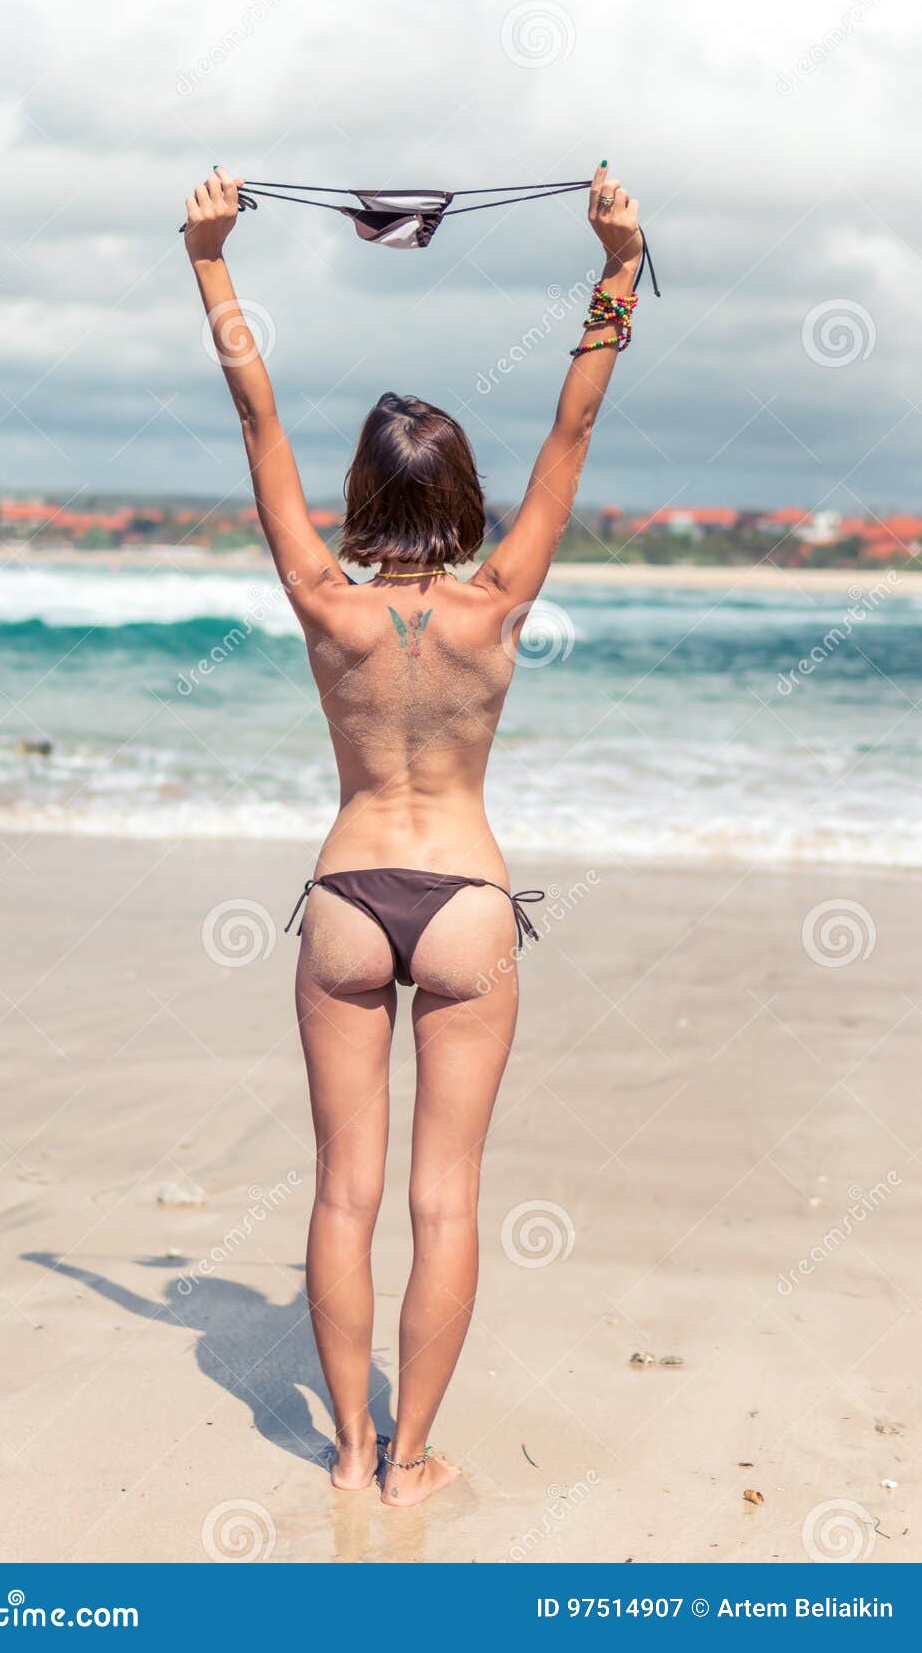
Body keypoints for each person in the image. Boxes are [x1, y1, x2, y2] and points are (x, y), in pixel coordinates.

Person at [184, 162, 644, 1506]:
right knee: (445, 1197)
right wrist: (619, 262)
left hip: (344, 894)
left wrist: (210, 258)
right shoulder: (497, 599)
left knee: (344, 1193)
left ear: (362, 494)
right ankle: (407, 1454)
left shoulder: (325, 600)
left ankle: (337, 1448)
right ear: (461, 492)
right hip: (466, 900)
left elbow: (253, 410)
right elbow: (577, 428)